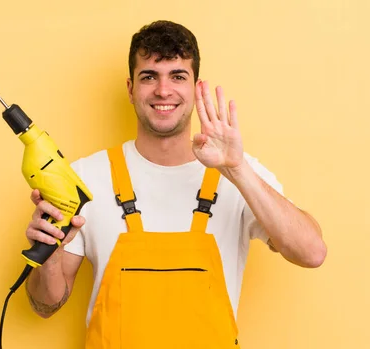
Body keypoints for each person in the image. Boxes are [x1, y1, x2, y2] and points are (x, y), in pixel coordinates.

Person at [24, 20, 327, 348]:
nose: (163, 91)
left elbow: (311, 252)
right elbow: (45, 305)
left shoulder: (237, 172)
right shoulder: (85, 179)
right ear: (130, 88)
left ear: (196, 87)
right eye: (149, 77)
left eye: (178, 76)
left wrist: (238, 170)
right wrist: (50, 258)